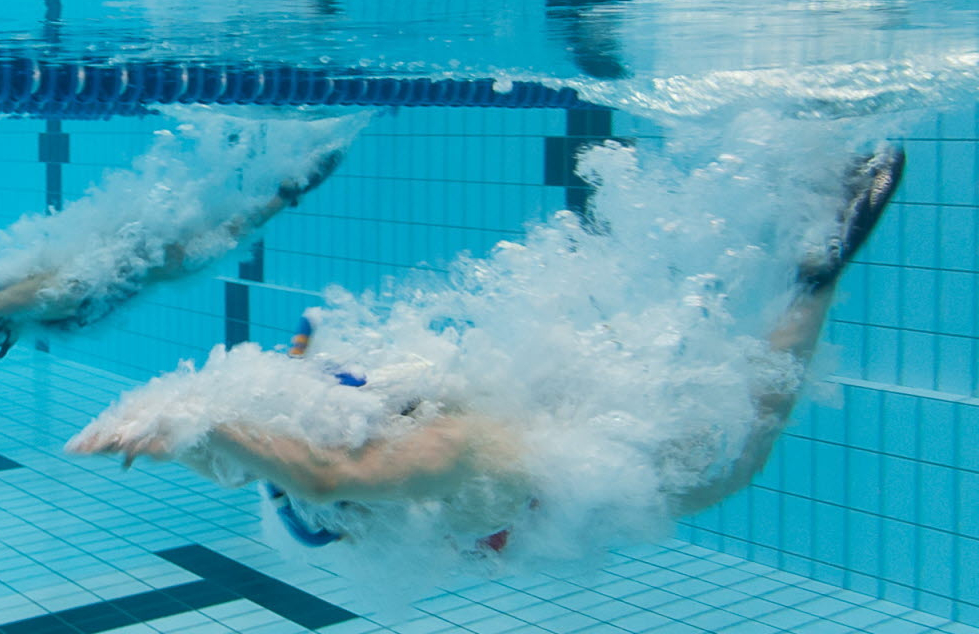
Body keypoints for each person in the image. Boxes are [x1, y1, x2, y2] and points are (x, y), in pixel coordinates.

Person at [69, 143, 904, 573]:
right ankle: (805, 265)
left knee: (732, 457)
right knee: (718, 422)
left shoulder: (441, 471)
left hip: (565, 474)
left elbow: (321, 477)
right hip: (548, 439)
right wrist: (197, 422)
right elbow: (297, 463)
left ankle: (815, 270)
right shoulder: (399, 429)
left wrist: (194, 419)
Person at [0, 108, 367, 356]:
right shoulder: (31, 302)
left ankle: (301, 152)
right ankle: (286, 139)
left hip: (159, 258)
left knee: (248, 209)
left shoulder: (46, 316)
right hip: (144, 246)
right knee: (230, 195)